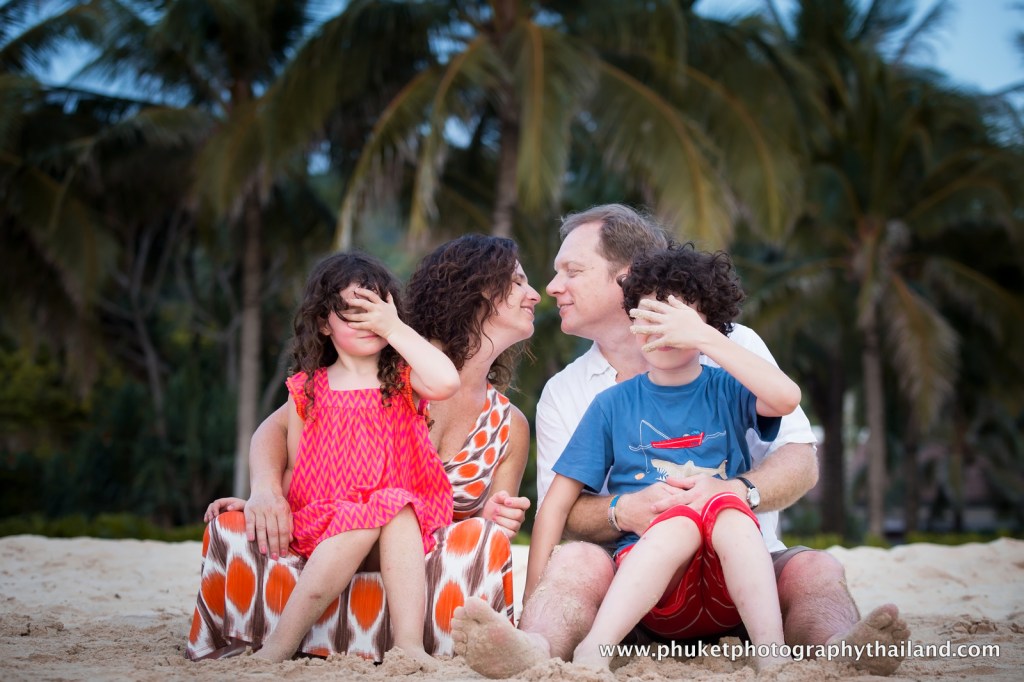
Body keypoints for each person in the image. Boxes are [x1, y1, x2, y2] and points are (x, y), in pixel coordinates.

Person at [451, 204, 910, 677]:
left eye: (572, 270)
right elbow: (561, 511)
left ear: (625, 278)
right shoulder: (569, 392)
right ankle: (537, 646)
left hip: (744, 571)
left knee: (816, 570)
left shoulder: (733, 350)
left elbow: (799, 458)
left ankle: (840, 649)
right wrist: (623, 510)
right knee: (576, 564)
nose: (551, 288)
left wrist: (735, 492)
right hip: (634, 586)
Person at [186, 235, 539, 662]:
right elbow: (283, 438)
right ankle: (282, 642)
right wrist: (265, 490)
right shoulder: (350, 378)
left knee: (390, 504)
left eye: (375, 313)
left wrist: (493, 516)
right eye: (519, 282)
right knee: (379, 506)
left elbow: (486, 518)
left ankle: (406, 645)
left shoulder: (413, 377)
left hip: (408, 526)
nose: (535, 294)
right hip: (332, 517)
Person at [527, 243, 800, 671]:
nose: (661, 332)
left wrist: (705, 335)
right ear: (631, 321)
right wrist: (530, 604)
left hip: (731, 588)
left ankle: (772, 655)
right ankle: (594, 648)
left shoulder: (726, 388)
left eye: (676, 322)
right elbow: (556, 505)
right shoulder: (611, 404)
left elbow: (785, 397)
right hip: (655, 586)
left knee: (729, 508)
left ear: (707, 325)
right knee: (678, 522)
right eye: (648, 318)